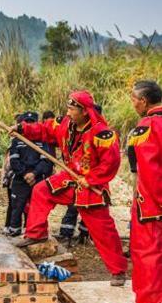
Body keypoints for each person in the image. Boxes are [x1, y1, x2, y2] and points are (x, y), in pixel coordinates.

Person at [12, 90, 127, 286]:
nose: (68, 112)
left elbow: (111, 162)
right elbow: (45, 130)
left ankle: (118, 271)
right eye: (68, 108)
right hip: (69, 178)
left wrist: (91, 179)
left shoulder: (102, 133)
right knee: (41, 190)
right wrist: (23, 129)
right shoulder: (65, 124)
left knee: (103, 231)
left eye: (72, 109)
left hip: (91, 185)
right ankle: (36, 233)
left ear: (84, 111)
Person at [127, 80, 162, 303]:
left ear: (143, 101)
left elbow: (150, 173)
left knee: (148, 256)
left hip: (151, 206)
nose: (133, 103)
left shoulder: (148, 126)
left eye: (133, 98)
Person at [5, 111, 53, 237]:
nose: (30, 124)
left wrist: (34, 173)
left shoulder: (42, 141)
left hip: (37, 180)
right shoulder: (16, 140)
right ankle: (14, 233)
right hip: (20, 179)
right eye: (27, 122)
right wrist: (25, 174)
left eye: (32, 122)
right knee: (17, 207)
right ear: (23, 123)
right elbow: (14, 160)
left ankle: (31, 233)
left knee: (35, 208)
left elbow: (45, 161)